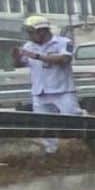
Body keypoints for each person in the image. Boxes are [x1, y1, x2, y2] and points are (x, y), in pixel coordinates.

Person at [18, 15, 80, 154]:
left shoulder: (64, 42)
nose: (29, 36)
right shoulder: (28, 46)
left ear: (42, 31)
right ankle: (51, 152)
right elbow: (20, 63)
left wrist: (37, 56)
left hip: (63, 90)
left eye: (31, 32)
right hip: (40, 92)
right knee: (44, 124)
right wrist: (15, 56)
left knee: (73, 121)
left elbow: (64, 59)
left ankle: (78, 149)